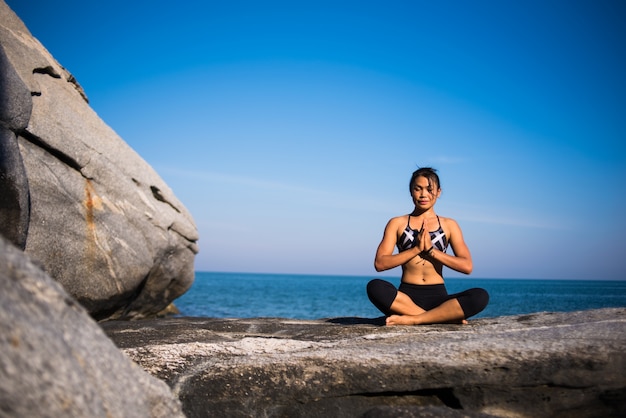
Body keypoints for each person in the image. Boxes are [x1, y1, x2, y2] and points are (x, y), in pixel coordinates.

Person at [367, 167, 488, 325]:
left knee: (480, 296)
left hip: (439, 297)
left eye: (429, 189)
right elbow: (380, 263)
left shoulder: (449, 225)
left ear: (438, 192)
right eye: (418, 189)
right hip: (406, 299)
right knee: (375, 287)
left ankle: (415, 319)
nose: (423, 194)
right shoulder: (397, 223)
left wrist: (431, 251)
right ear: (411, 191)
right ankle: (441, 317)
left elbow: (467, 266)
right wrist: (416, 249)